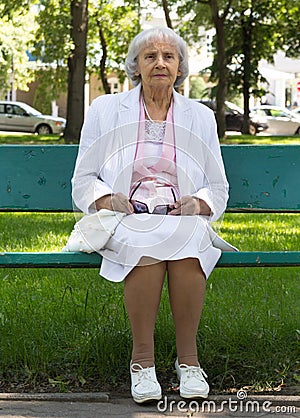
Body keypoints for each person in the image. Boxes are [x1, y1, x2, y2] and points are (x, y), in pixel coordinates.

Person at [71, 27, 235, 404]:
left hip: (181, 215)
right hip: (126, 214)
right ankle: (142, 362)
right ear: (136, 66)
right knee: (145, 240)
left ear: (180, 67)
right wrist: (107, 198)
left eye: (168, 57)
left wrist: (198, 204)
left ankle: (188, 362)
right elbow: (83, 179)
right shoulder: (106, 110)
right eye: (150, 56)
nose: (160, 63)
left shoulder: (201, 116)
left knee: (191, 240)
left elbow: (218, 186)